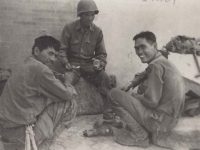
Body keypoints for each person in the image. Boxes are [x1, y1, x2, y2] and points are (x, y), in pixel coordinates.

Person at [107, 31, 185, 148]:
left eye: (143, 47)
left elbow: (151, 101)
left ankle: (140, 136)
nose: (139, 52)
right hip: (170, 121)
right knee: (136, 93)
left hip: (159, 123)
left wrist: (134, 97)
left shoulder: (156, 66)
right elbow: (145, 73)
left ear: (154, 46)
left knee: (113, 94)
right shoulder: (162, 61)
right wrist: (132, 83)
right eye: (136, 48)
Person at [0, 36, 77, 150]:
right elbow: (67, 94)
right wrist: (68, 81)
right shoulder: (41, 70)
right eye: (50, 53)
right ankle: (42, 146)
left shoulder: (26, 63)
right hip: (22, 134)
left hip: (6, 131)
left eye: (55, 55)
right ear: (36, 51)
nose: (53, 59)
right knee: (70, 103)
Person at [58, 0, 113, 119]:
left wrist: (99, 63)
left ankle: (108, 111)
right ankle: (66, 113)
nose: (90, 18)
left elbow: (102, 54)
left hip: (89, 66)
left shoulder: (97, 32)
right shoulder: (69, 28)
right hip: (72, 66)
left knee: (105, 78)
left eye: (92, 15)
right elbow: (62, 50)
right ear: (80, 15)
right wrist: (65, 62)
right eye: (87, 15)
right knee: (66, 81)